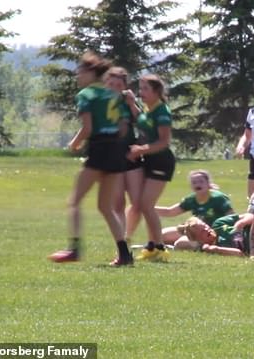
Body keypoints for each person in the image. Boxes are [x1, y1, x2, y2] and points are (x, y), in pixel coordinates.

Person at [48, 51, 132, 267]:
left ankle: (74, 249)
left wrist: (75, 143)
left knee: (74, 201)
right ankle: (125, 255)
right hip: (116, 151)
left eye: (80, 72)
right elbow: (124, 126)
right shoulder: (113, 95)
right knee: (106, 207)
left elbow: (88, 127)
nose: (78, 76)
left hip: (99, 149)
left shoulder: (86, 94)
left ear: (91, 72)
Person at [127, 74, 175, 262]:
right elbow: (143, 122)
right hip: (150, 161)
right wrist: (132, 105)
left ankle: (160, 248)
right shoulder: (149, 109)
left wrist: (140, 150)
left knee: (146, 205)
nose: (142, 92)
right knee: (142, 205)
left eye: (146, 88)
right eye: (141, 88)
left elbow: (164, 142)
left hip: (161, 162)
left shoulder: (162, 111)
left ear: (156, 91)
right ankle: (152, 246)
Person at [103, 67, 144, 243]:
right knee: (117, 203)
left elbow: (143, 121)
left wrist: (132, 103)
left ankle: (127, 236)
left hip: (131, 155)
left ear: (124, 86)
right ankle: (121, 243)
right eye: (111, 84)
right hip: (112, 156)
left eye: (118, 84)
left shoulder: (128, 101)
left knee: (138, 202)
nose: (114, 87)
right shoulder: (101, 102)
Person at [156, 170, 234, 250]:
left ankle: (201, 247)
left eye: (201, 181)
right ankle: (163, 246)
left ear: (208, 183)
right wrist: (147, 208)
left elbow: (231, 217)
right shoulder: (191, 199)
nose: (197, 184)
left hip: (211, 234)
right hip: (194, 231)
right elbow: (169, 212)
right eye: (194, 182)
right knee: (161, 235)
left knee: (180, 243)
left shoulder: (218, 198)